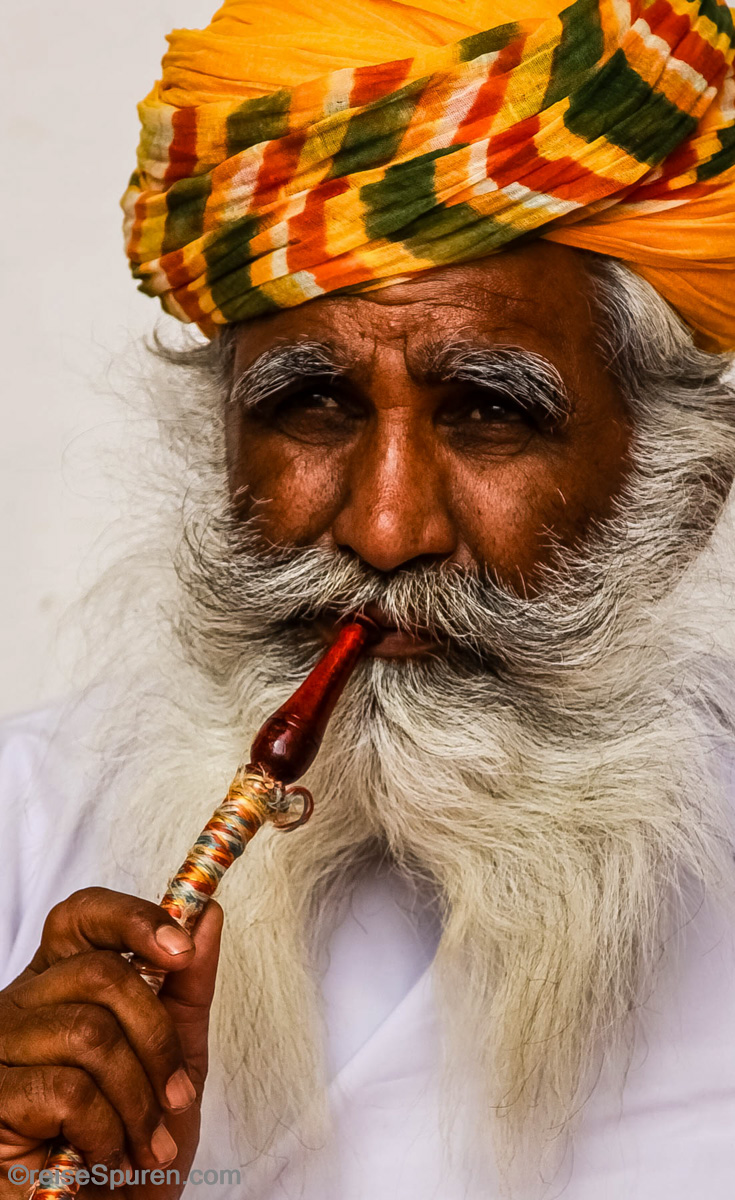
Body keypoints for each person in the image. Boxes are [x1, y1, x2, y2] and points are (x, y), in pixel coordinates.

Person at [2, 0, 735, 1196]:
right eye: (311, 406)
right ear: (221, 449)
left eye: (492, 412)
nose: (386, 528)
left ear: (683, 489)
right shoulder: (22, 837)